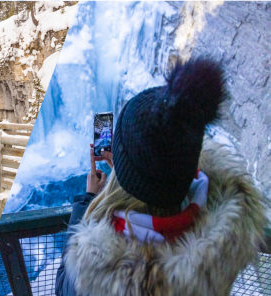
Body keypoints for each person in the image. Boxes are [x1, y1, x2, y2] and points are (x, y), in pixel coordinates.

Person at [55, 58, 267, 295]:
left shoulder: (97, 267)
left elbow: (64, 285)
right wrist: (135, 171)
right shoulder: (220, 239)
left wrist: (87, 199)